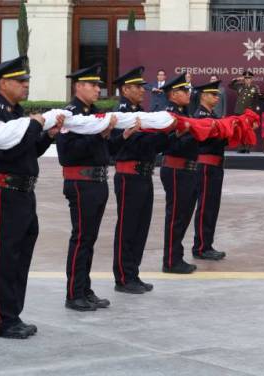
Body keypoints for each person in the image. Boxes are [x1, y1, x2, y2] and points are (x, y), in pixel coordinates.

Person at [0, 56, 60, 339]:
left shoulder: (16, 112)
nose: (26, 85)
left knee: (20, 257)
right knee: (4, 258)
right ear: (3, 83)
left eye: (26, 80)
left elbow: (28, 150)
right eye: (20, 81)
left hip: (23, 192)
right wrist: (34, 127)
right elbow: (6, 152)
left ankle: (12, 314)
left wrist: (47, 136)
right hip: (3, 193)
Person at [57, 64, 115, 311]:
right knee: (81, 237)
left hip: (98, 181)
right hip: (81, 182)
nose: (97, 89)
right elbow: (67, 153)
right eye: (92, 85)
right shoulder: (70, 114)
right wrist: (97, 136)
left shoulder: (95, 113)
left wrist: (111, 136)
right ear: (78, 86)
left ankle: (84, 288)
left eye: (98, 85)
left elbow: (105, 148)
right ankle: (74, 293)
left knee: (89, 239)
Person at [111, 66, 167, 294]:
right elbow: (125, 145)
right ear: (125, 89)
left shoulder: (140, 113)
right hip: (128, 175)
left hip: (144, 174)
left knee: (141, 227)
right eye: (138, 87)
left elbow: (153, 145)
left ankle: (133, 273)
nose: (143, 91)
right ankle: (123, 277)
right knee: (128, 227)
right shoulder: (121, 115)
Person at [161, 73, 198, 274]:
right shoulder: (169, 115)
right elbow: (169, 145)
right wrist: (192, 135)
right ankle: (170, 260)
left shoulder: (185, 112)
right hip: (176, 169)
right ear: (174, 94)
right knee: (176, 216)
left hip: (188, 169)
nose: (188, 93)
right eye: (185, 90)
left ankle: (177, 256)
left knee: (183, 216)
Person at [191, 80, 227, 261]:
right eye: (213, 94)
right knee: (205, 206)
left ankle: (207, 244)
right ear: (203, 96)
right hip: (205, 166)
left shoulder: (213, 116)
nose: (217, 97)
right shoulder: (200, 116)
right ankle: (201, 246)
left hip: (215, 166)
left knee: (212, 206)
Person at [229, 71, 260, 153]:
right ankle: (241, 147)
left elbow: (257, 101)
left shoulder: (255, 88)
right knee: (239, 130)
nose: (247, 80)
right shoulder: (239, 86)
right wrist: (237, 79)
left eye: (249, 78)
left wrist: (254, 114)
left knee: (248, 130)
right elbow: (230, 85)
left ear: (251, 79)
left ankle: (247, 147)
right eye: (245, 78)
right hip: (239, 111)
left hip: (248, 113)